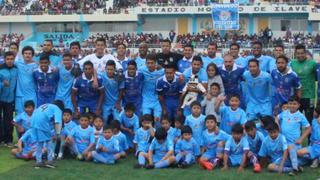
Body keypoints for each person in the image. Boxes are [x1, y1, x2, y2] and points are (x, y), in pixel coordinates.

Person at [276, 96, 311, 172]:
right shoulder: (284, 113)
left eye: (294, 104)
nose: (292, 106)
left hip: (294, 143)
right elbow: (276, 118)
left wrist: (301, 139)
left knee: (291, 149)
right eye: (290, 103)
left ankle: (295, 169)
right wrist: (278, 128)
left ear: (299, 105)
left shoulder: (301, 116)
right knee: (280, 160)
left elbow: (308, 128)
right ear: (288, 104)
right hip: (284, 143)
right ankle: (297, 165)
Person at [30, 101, 64, 168]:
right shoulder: (57, 109)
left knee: (39, 142)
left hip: (33, 121)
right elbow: (58, 122)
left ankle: (38, 161)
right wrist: (57, 134)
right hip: (42, 122)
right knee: (49, 141)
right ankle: (50, 161)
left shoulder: (47, 105)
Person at [291, 44, 317, 122]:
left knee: (309, 119)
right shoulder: (292, 63)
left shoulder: (312, 63)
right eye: (298, 53)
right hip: (297, 97)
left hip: (309, 97)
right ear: (295, 54)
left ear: (305, 53)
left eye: (302, 53)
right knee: (296, 120)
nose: (300, 55)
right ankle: (297, 134)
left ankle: (309, 134)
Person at [140, 54, 164, 127]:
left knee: (157, 121)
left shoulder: (162, 71)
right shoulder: (141, 70)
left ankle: (157, 137)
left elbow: (174, 73)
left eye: (152, 63)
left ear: (155, 63)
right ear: (145, 63)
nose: (150, 65)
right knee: (146, 122)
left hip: (157, 100)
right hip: (146, 100)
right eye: (148, 63)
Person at [0, 51, 18, 146]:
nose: (10, 61)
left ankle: (9, 140)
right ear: (4, 59)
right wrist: (2, 84)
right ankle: (1, 139)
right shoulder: (0, 69)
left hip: (10, 99)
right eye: (8, 59)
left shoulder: (16, 69)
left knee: (9, 120)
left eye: (12, 59)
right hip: (0, 98)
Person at [15, 46, 38, 114]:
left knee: (32, 115)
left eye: (29, 53)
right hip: (19, 95)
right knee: (20, 115)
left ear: (32, 55)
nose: (27, 55)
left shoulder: (35, 65)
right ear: (22, 55)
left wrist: (36, 62)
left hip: (31, 94)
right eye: (25, 53)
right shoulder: (18, 63)